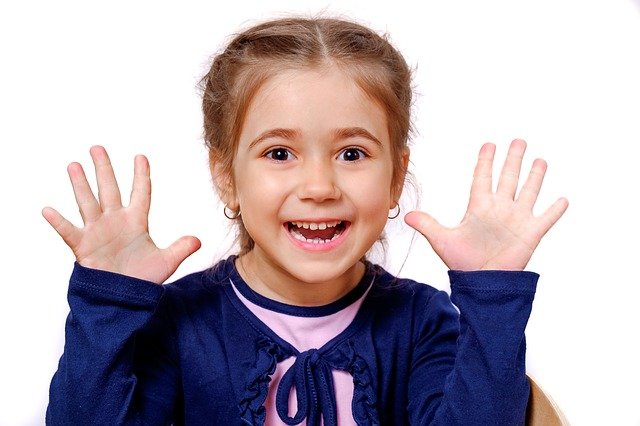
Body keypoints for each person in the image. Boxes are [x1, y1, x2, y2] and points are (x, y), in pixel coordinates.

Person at [43, 16, 568, 425]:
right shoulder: (183, 322)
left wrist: (492, 297)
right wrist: (107, 302)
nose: (319, 187)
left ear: (395, 176)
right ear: (226, 175)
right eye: (279, 154)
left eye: (353, 154)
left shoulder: (421, 322)